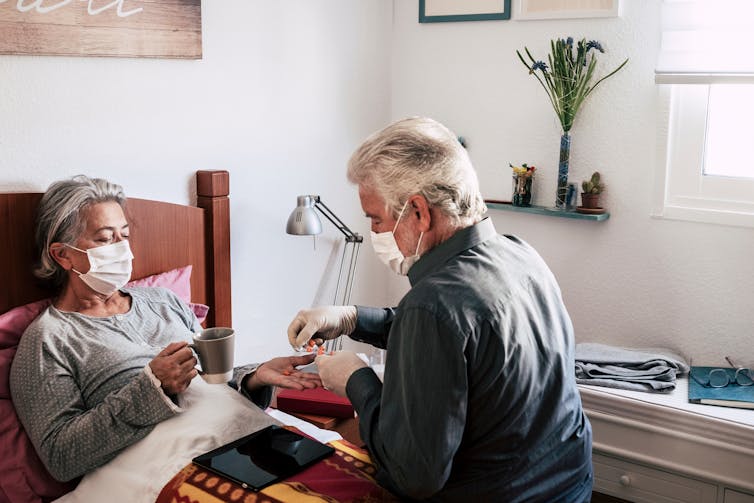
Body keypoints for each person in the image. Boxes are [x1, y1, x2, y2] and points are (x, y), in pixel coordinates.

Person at [287, 117, 593, 501]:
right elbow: (459, 334)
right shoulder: (519, 253)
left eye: (376, 219)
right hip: (569, 486)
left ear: (418, 212)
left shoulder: (432, 306)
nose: (375, 234)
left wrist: (356, 381)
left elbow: (412, 475)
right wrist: (350, 317)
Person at [9, 175, 321, 482]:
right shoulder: (48, 340)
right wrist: (152, 388)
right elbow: (61, 458)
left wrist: (253, 379)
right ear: (62, 255)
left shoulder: (163, 300)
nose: (121, 249)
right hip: (177, 467)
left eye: (124, 235)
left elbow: (207, 388)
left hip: (248, 445)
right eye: (105, 239)